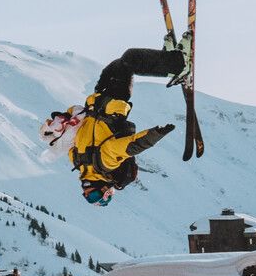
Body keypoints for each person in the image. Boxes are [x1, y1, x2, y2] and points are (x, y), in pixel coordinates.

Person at [42, 39, 184, 205]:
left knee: (114, 66)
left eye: (86, 197)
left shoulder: (78, 162)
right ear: (105, 191)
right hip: (114, 103)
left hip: (96, 102)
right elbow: (130, 146)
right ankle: (178, 65)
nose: (87, 193)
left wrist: (62, 121)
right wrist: (156, 134)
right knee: (129, 59)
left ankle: (166, 59)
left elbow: (69, 134)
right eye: (94, 196)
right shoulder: (104, 165)